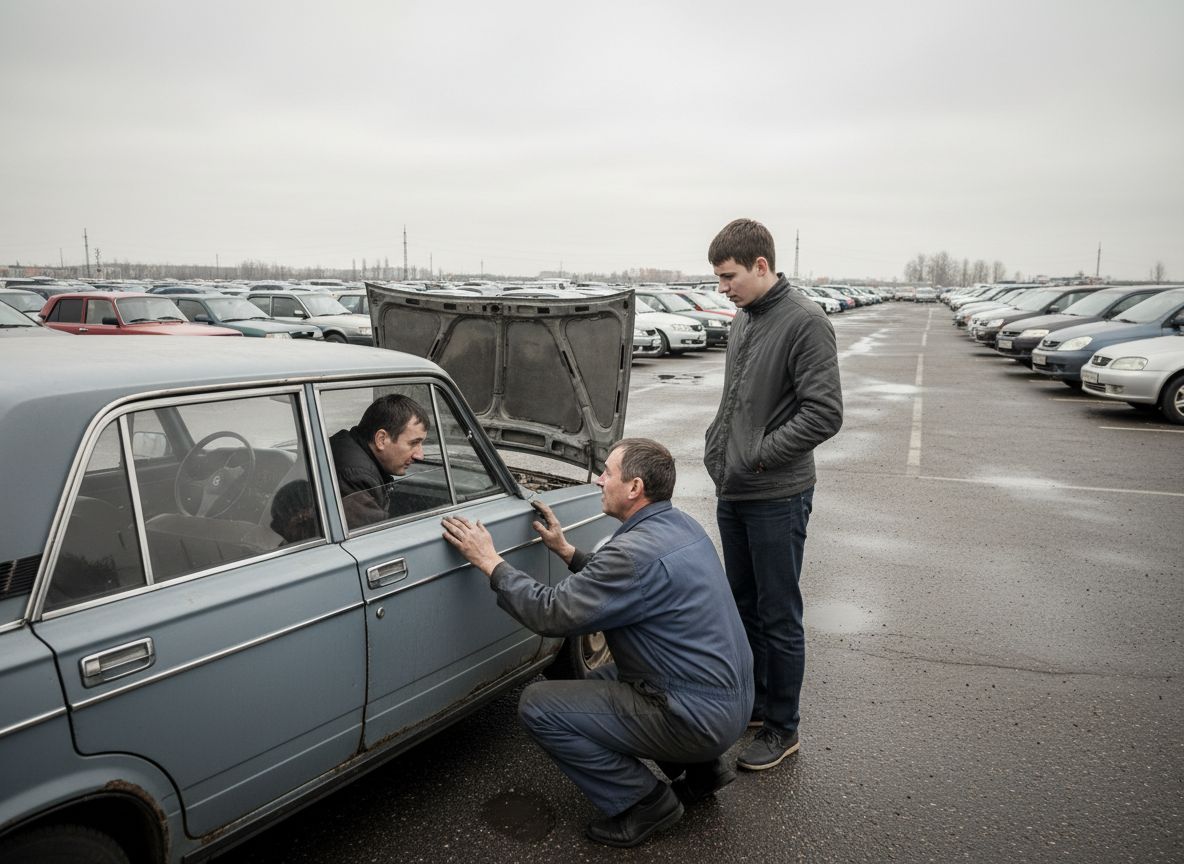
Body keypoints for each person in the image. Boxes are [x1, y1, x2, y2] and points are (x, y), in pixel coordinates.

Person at [441, 438, 753, 849]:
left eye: (607, 472)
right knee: (613, 673)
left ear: (635, 487)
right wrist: (567, 552)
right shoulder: (680, 526)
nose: (599, 480)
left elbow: (550, 613)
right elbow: (628, 585)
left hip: (695, 715)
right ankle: (701, 770)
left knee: (538, 704)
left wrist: (489, 561)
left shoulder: (631, 552)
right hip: (728, 701)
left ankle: (646, 803)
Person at [704, 218, 843, 772]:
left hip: (777, 493)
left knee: (778, 612)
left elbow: (824, 414)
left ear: (762, 266)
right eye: (717, 277)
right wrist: (721, 454)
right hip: (735, 489)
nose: (722, 287)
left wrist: (755, 455)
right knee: (742, 605)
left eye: (729, 276)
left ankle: (784, 727)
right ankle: (757, 706)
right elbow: (737, 403)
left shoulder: (806, 322)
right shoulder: (746, 318)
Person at [329, 394, 429, 529]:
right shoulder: (356, 477)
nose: (420, 455)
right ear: (381, 439)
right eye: (413, 443)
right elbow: (377, 542)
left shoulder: (345, 447)